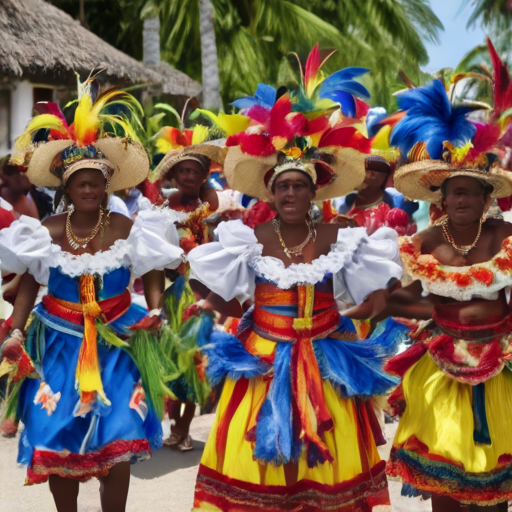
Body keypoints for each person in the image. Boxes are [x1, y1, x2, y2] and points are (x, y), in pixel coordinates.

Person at [186, 111, 407, 510]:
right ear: (271, 193)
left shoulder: (339, 236)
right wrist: (231, 309)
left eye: (299, 186)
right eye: (283, 186)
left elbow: (381, 290)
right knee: (256, 461)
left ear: (313, 192)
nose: (290, 194)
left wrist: (343, 320)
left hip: (325, 360)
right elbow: (202, 279)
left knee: (327, 469)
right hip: (263, 361)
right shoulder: (248, 238)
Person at [0, 81, 184, 512]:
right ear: (67, 187)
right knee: (53, 437)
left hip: (117, 344)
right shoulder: (44, 231)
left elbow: (152, 268)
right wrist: (17, 330)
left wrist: (156, 310)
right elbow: (29, 283)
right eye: (80, 184)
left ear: (107, 186)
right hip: (58, 345)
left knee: (118, 436)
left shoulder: (129, 229)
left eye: (96, 184)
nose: (89, 190)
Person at [374, 79, 512, 511]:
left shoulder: (506, 235)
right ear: (442, 197)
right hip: (441, 361)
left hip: (501, 361)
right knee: (447, 474)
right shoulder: (425, 241)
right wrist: (421, 306)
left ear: (487, 195)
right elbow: (401, 299)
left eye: (471, 190)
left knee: (496, 480)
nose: (462, 198)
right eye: (455, 191)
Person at [152, 140, 230, 451]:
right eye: (181, 171)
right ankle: (175, 429)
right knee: (172, 362)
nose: (187, 176)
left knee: (192, 362)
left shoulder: (205, 206)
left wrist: (194, 157)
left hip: (200, 292)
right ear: (172, 175)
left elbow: (210, 191)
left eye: (194, 172)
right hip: (174, 294)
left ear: (203, 177)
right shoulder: (161, 211)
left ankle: (183, 430)